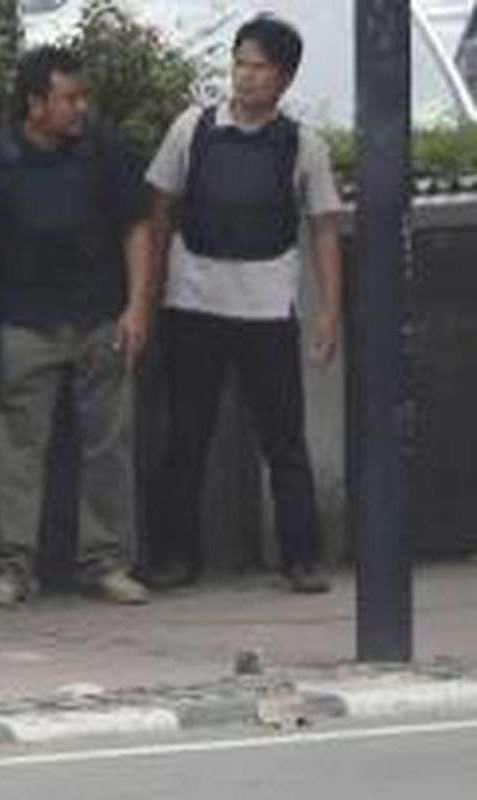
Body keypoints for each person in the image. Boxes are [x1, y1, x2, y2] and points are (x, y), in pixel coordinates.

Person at [145, 15, 342, 593]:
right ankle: (176, 556)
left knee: (284, 440)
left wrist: (328, 310)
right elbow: (159, 207)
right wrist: (152, 291)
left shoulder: (304, 145)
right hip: (194, 303)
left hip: (266, 307)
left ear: (283, 78)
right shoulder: (193, 129)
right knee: (185, 436)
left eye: (260, 67)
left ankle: (301, 558)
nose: (246, 77)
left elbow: (325, 228)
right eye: (240, 63)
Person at [0, 46, 154, 607]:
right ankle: (11, 567)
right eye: (68, 98)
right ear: (34, 102)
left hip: (100, 312)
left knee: (109, 444)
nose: (79, 108)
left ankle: (106, 562)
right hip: (24, 319)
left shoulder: (104, 150)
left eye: (82, 96)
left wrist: (138, 308)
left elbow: (137, 228)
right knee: (16, 447)